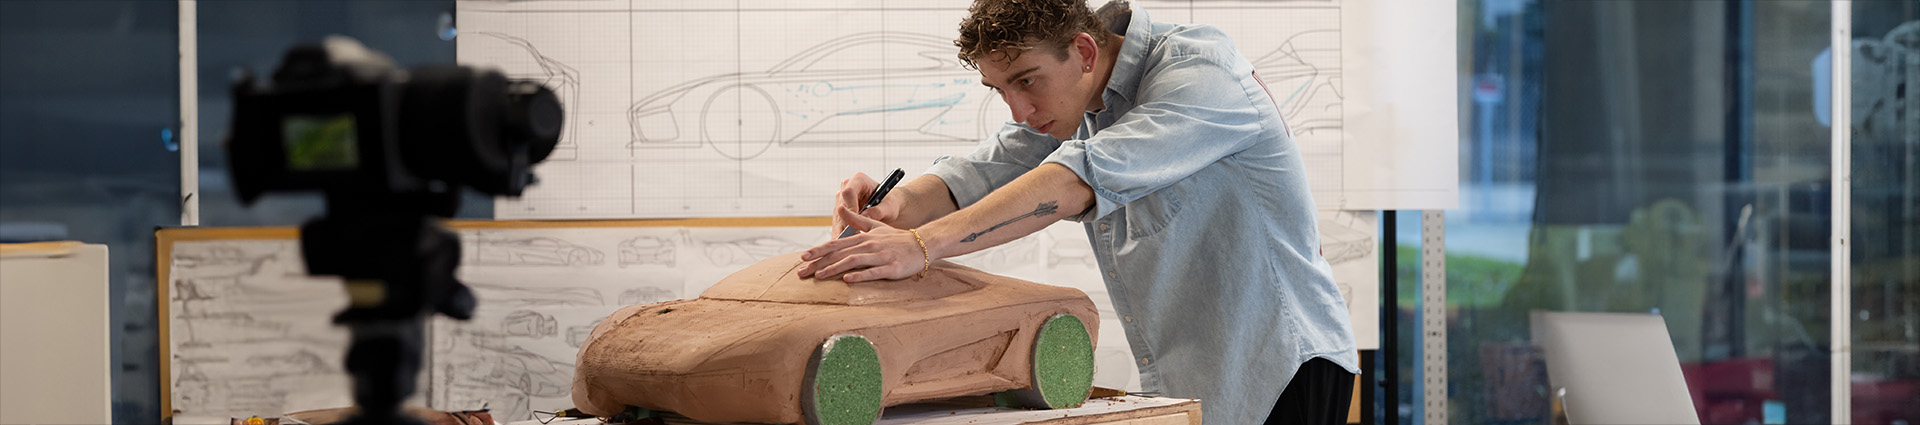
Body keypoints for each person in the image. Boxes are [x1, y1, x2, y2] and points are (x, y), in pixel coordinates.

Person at [794, 0, 1358, 423]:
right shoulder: (1082, 97)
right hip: (1195, 370)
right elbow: (982, 170)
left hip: (1281, 364)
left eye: (1026, 81)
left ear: (1085, 51)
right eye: (1000, 89)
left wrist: (923, 246)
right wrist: (897, 206)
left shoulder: (1198, 75)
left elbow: (1072, 181)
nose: (1019, 107)